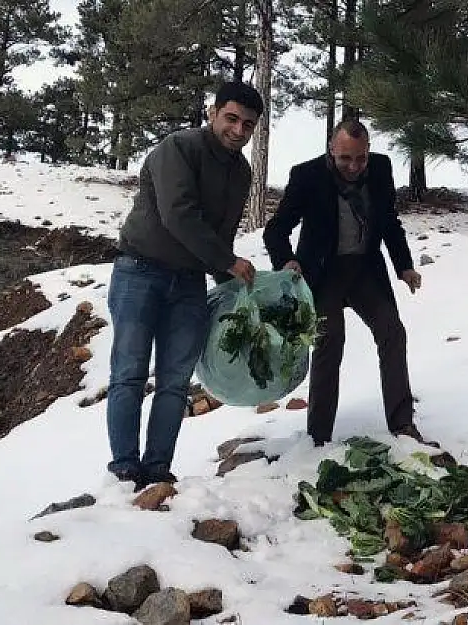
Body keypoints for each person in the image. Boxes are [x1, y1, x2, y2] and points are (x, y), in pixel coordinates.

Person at [105, 81, 263, 489]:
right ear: (213, 113)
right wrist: (228, 262)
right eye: (231, 119)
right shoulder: (179, 148)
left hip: (190, 284)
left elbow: (222, 234)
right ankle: (124, 469)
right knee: (129, 374)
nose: (238, 131)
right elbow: (178, 214)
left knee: (174, 383)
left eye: (248, 125)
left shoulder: (242, 172)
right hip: (140, 271)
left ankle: (157, 471)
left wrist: (230, 283)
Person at [262, 118, 432, 447]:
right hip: (323, 274)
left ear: (368, 153)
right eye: (345, 158)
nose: (354, 166)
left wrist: (404, 266)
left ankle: (403, 427)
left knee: (392, 332)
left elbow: (389, 222)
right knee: (329, 342)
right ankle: (318, 437)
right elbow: (276, 228)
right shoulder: (307, 176)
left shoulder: (380, 169)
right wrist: (287, 261)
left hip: (365, 270)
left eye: (360, 158)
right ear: (331, 151)